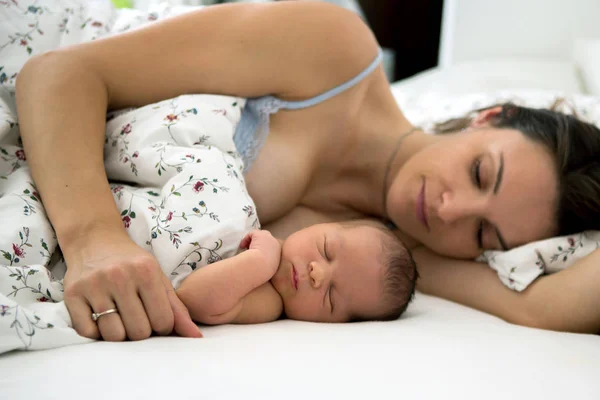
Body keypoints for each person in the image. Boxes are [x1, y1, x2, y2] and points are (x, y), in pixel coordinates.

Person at [15, 1, 600, 341]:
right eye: (479, 173)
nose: (450, 210)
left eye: (483, 234)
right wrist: (94, 240)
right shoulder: (336, 51)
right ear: (483, 117)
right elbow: (58, 76)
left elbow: (540, 307)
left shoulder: (390, 260)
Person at [176, 220, 417, 325]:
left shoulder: (269, 301)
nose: (318, 274)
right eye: (327, 249)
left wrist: (260, 262)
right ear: (320, 224)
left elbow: (193, 299)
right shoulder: (267, 229)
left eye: (330, 297)